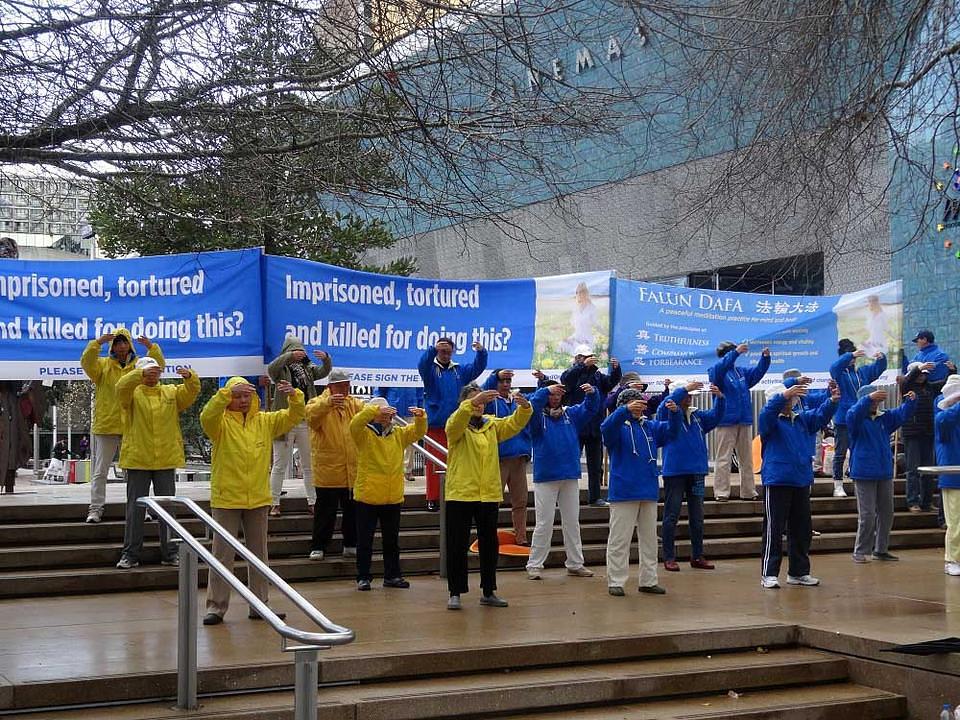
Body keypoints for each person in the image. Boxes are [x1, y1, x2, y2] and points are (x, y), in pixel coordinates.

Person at [200, 377, 303, 625]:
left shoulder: (265, 421)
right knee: (222, 554)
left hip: (257, 498)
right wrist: (226, 393)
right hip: (227, 498)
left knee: (258, 555)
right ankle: (216, 606)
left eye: (246, 395)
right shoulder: (220, 423)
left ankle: (260, 605)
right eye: (238, 396)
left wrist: (294, 395)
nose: (243, 400)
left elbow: (293, 415)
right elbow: (206, 416)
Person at [444, 383, 532, 610]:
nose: (479, 404)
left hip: (488, 494)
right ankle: (455, 592)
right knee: (457, 544)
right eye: (475, 400)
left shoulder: (491, 425)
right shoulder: (457, 423)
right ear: (464, 402)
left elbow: (513, 424)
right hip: (461, 493)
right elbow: (453, 426)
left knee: (489, 545)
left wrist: (523, 408)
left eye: (482, 401)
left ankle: (489, 590)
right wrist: (471, 402)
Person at [115, 358, 200, 569]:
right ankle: (130, 554)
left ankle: (170, 553)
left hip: (165, 458)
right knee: (135, 509)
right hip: (138, 459)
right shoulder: (131, 394)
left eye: (155, 371)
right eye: (147, 372)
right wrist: (140, 374)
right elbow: (120, 386)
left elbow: (191, 393)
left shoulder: (171, 392)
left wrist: (190, 377)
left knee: (167, 508)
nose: (152, 375)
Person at [758, 382, 839, 589]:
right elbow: (768, 412)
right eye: (787, 399)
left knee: (802, 528)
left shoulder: (802, 419)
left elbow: (820, 416)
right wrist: (783, 395)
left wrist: (832, 401)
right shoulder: (770, 421)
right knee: (773, 529)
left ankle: (798, 571)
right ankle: (769, 573)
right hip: (777, 479)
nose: (790, 402)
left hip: (801, 478)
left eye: (791, 400)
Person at [601, 388, 680, 597]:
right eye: (634, 403)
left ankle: (648, 580)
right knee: (620, 538)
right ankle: (616, 581)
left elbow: (672, 432)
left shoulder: (650, 426)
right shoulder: (617, 427)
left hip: (648, 489)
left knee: (649, 539)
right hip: (624, 491)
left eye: (641, 403)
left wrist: (675, 413)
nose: (639, 406)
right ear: (624, 405)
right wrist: (623, 411)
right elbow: (606, 428)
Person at [80, 328, 164, 523]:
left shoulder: (139, 366)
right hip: (107, 425)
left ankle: (140, 509)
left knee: (136, 473)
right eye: (117, 343)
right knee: (100, 470)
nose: (121, 346)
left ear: (130, 344)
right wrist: (97, 342)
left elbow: (158, 367)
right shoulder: (102, 366)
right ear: (112, 346)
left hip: (133, 426)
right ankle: (95, 508)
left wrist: (152, 348)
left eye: (124, 342)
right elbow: (86, 362)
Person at [349, 397, 427, 591]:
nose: (387, 415)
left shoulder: (398, 433)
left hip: (392, 496)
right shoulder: (364, 434)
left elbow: (418, 432)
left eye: (388, 412)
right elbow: (355, 423)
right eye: (383, 412)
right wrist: (374, 410)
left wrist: (420, 417)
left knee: (392, 541)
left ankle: (392, 575)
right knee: (365, 541)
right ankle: (363, 576)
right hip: (367, 495)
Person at [525, 381, 598, 580]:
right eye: (552, 394)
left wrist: (592, 393)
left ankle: (575, 563)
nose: (555, 398)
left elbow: (590, 408)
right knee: (544, 523)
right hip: (546, 477)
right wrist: (545, 390)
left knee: (572, 522)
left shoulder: (571, 414)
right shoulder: (536, 417)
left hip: (570, 476)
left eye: (558, 394)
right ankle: (534, 564)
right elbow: (532, 404)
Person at [657, 381, 726, 572]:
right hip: (675, 472)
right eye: (687, 394)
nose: (690, 397)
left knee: (697, 516)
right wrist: (683, 389)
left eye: (691, 394)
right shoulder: (667, 411)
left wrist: (720, 398)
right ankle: (669, 557)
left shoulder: (697, 416)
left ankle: (697, 555)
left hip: (696, 472)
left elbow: (716, 417)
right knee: (671, 515)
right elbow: (668, 402)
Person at [847, 385, 916, 563]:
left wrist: (910, 401)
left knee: (887, 512)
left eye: (878, 400)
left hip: (883, 471)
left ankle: (880, 549)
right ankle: (860, 551)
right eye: (873, 400)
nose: (876, 403)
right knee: (867, 515)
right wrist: (868, 398)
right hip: (863, 472)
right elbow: (854, 412)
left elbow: (902, 414)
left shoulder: (885, 417)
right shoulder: (855, 419)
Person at [418, 338, 488, 512]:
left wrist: (481, 352)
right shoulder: (430, 370)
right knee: (434, 463)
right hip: (436, 424)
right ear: (437, 351)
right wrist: (432, 350)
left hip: (457, 424)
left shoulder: (459, 370)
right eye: (442, 351)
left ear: (453, 352)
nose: (446, 354)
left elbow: (477, 368)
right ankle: (433, 498)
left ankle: (451, 495)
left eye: (448, 351)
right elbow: (422, 364)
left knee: (456, 462)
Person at [267, 336, 332, 516]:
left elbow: (324, 372)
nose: (298, 354)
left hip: (305, 421)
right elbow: (271, 369)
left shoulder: (307, 369)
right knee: (280, 464)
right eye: (294, 350)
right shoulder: (281, 369)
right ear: (287, 351)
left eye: (300, 350)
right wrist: (288, 357)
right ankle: (274, 502)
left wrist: (326, 359)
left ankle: (313, 501)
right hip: (284, 420)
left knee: (308, 464)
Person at [305, 369, 364, 561]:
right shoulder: (317, 402)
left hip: (352, 469)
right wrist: (327, 404)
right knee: (325, 512)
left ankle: (351, 544)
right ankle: (319, 546)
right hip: (328, 468)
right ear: (330, 387)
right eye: (341, 386)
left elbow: (367, 414)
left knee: (352, 510)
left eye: (347, 385)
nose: (345, 389)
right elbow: (311, 418)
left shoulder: (353, 403)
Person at [708, 342, 771, 502]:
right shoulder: (716, 371)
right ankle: (721, 492)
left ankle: (748, 491)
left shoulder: (740, 372)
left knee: (746, 458)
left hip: (744, 420)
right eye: (732, 353)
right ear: (727, 354)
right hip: (725, 420)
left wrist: (765, 359)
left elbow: (757, 373)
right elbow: (722, 366)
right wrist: (736, 352)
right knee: (724, 457)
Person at [561, 344, 621, 506]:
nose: (588, 359)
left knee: (595, 465)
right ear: (577, 358)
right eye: (583, 356)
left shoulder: (598, 375)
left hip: (595, 426)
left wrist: (616, 370)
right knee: (571, 461)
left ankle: (595, 497)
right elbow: (566, 381)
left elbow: (609, 384)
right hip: (576, 426)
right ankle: (565, 497)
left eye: (590, 356)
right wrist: (582, 366)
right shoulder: (571, 373)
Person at [481, 369, 535, 544]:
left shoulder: (518, 400)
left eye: (508, 381)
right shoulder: (491, 402)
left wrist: (543, 380)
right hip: (499, 458)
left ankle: (521, 537)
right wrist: (494, 377)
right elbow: (483, 392)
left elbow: (542, 397)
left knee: (521, 501)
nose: (505, 384)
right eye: (502, 381)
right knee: (492, 501)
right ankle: (488, 537)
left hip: (519, 458)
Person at [829, 339, 886, 498]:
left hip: (861, 418)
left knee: (857, 450)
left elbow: (878, 369)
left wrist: (881, 358)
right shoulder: (839, 374)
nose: (853, 359)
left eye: (854, 356)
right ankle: (837, 485)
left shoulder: (861, 372)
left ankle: (855, 478)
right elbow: (834, 368)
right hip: (843, 419)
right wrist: (850, 354)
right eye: (851, 356)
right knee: (840, 452)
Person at [899, 360, 956, 512]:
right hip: (912, 433)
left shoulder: (929, 388)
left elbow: (945, 385)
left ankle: (926, 501)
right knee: (913, 469)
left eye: (925, 374)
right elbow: (907, 380)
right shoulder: (907, 387)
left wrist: (952, 371)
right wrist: (918, 368)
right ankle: (912, 501)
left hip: (928, 433)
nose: (922, 377)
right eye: (920, 374)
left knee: (928, 470)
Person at [782, 370, 834, 476]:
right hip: (793, 432)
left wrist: (830, 390)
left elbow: (822, 398)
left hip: (807, 431)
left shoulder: (805, 397)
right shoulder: (781, 399)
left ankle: (815, 468)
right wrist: (795, 381)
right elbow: (783, 386)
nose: (802, 386)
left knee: (817, 438)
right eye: (799, 383)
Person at [934, 375, 960, 576]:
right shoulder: (942, 419)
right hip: (953, 478)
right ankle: (952, 559)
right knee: (956, 523)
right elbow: (946, 418)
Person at [0, 380, 43, 494]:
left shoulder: (16, 398)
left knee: (10, 464)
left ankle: (9, 488)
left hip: (12, 433)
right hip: (8, 432)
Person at [375, 385, 425, 481]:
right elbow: (380, 391)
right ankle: (391, 469)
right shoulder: (390, 370)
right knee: (390, 443)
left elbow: (420, 391)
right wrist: (381, 408)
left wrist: (420, 407)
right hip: (392, 411)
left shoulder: (413, 372)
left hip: (410, 410)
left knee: (412, 443)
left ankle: (407, 470)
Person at [560, 281, 598, 354]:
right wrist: (568, 338)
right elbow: (572, 324)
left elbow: (596, 325)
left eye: (581, 292)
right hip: (576, 337)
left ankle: (578, 350)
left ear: (586, 293)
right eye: (577, 292)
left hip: (586, 339)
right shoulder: (575, 308)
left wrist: (606, 333)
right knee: (562, 344)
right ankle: (575, 347)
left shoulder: (592, 308)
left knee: (583, 350)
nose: (579, 294)